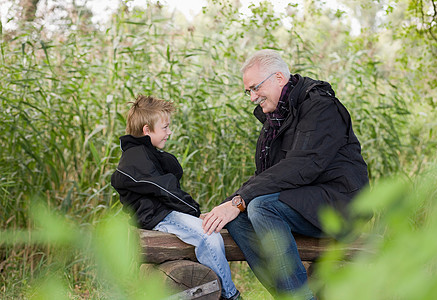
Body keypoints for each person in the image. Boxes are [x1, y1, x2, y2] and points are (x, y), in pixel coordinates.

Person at [202, 49, 369, 299]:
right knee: (237, 218)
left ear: (279, 78)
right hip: (307, 202)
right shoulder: (278, 118)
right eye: (248, 91)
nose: (252, 97)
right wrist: (231, 204)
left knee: (260, 207)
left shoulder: (320, 107)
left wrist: (240, 200)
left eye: (255, 88)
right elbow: (269, 175)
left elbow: (301, 167)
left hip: (342, 204)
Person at [111, 95, 240, 300]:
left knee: (210, 232)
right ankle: (230, 295)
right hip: (158, 218)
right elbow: (166, 190)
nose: (169, 132)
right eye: (165, 127)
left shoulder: (145, 154)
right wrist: (195, 212)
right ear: (146, 130)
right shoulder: (136, 159)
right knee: (209, 237)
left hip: (163, 214)